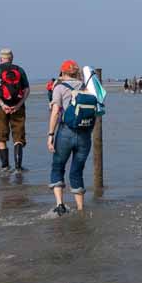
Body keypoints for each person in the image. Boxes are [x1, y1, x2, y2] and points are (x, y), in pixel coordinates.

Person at [47, 60, 95, 215]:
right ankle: (80, 209)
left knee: (58, 167)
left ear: (62, 72)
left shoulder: (59, 87)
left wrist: (50, 135)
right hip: (85, 134)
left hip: (66, 132)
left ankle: (60, 205)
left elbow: (55, 112)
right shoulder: (86, 86)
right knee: (77, 171)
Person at [0, 48, 30, 171]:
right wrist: (18, 105)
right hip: (18, 107)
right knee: (18, 138)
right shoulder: (19, 70)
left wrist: (2, 104)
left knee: (2, 138)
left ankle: (5, 167)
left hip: (1, 109)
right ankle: (18, 167)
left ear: (0, 58)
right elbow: (27, 90)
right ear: (12, 58)